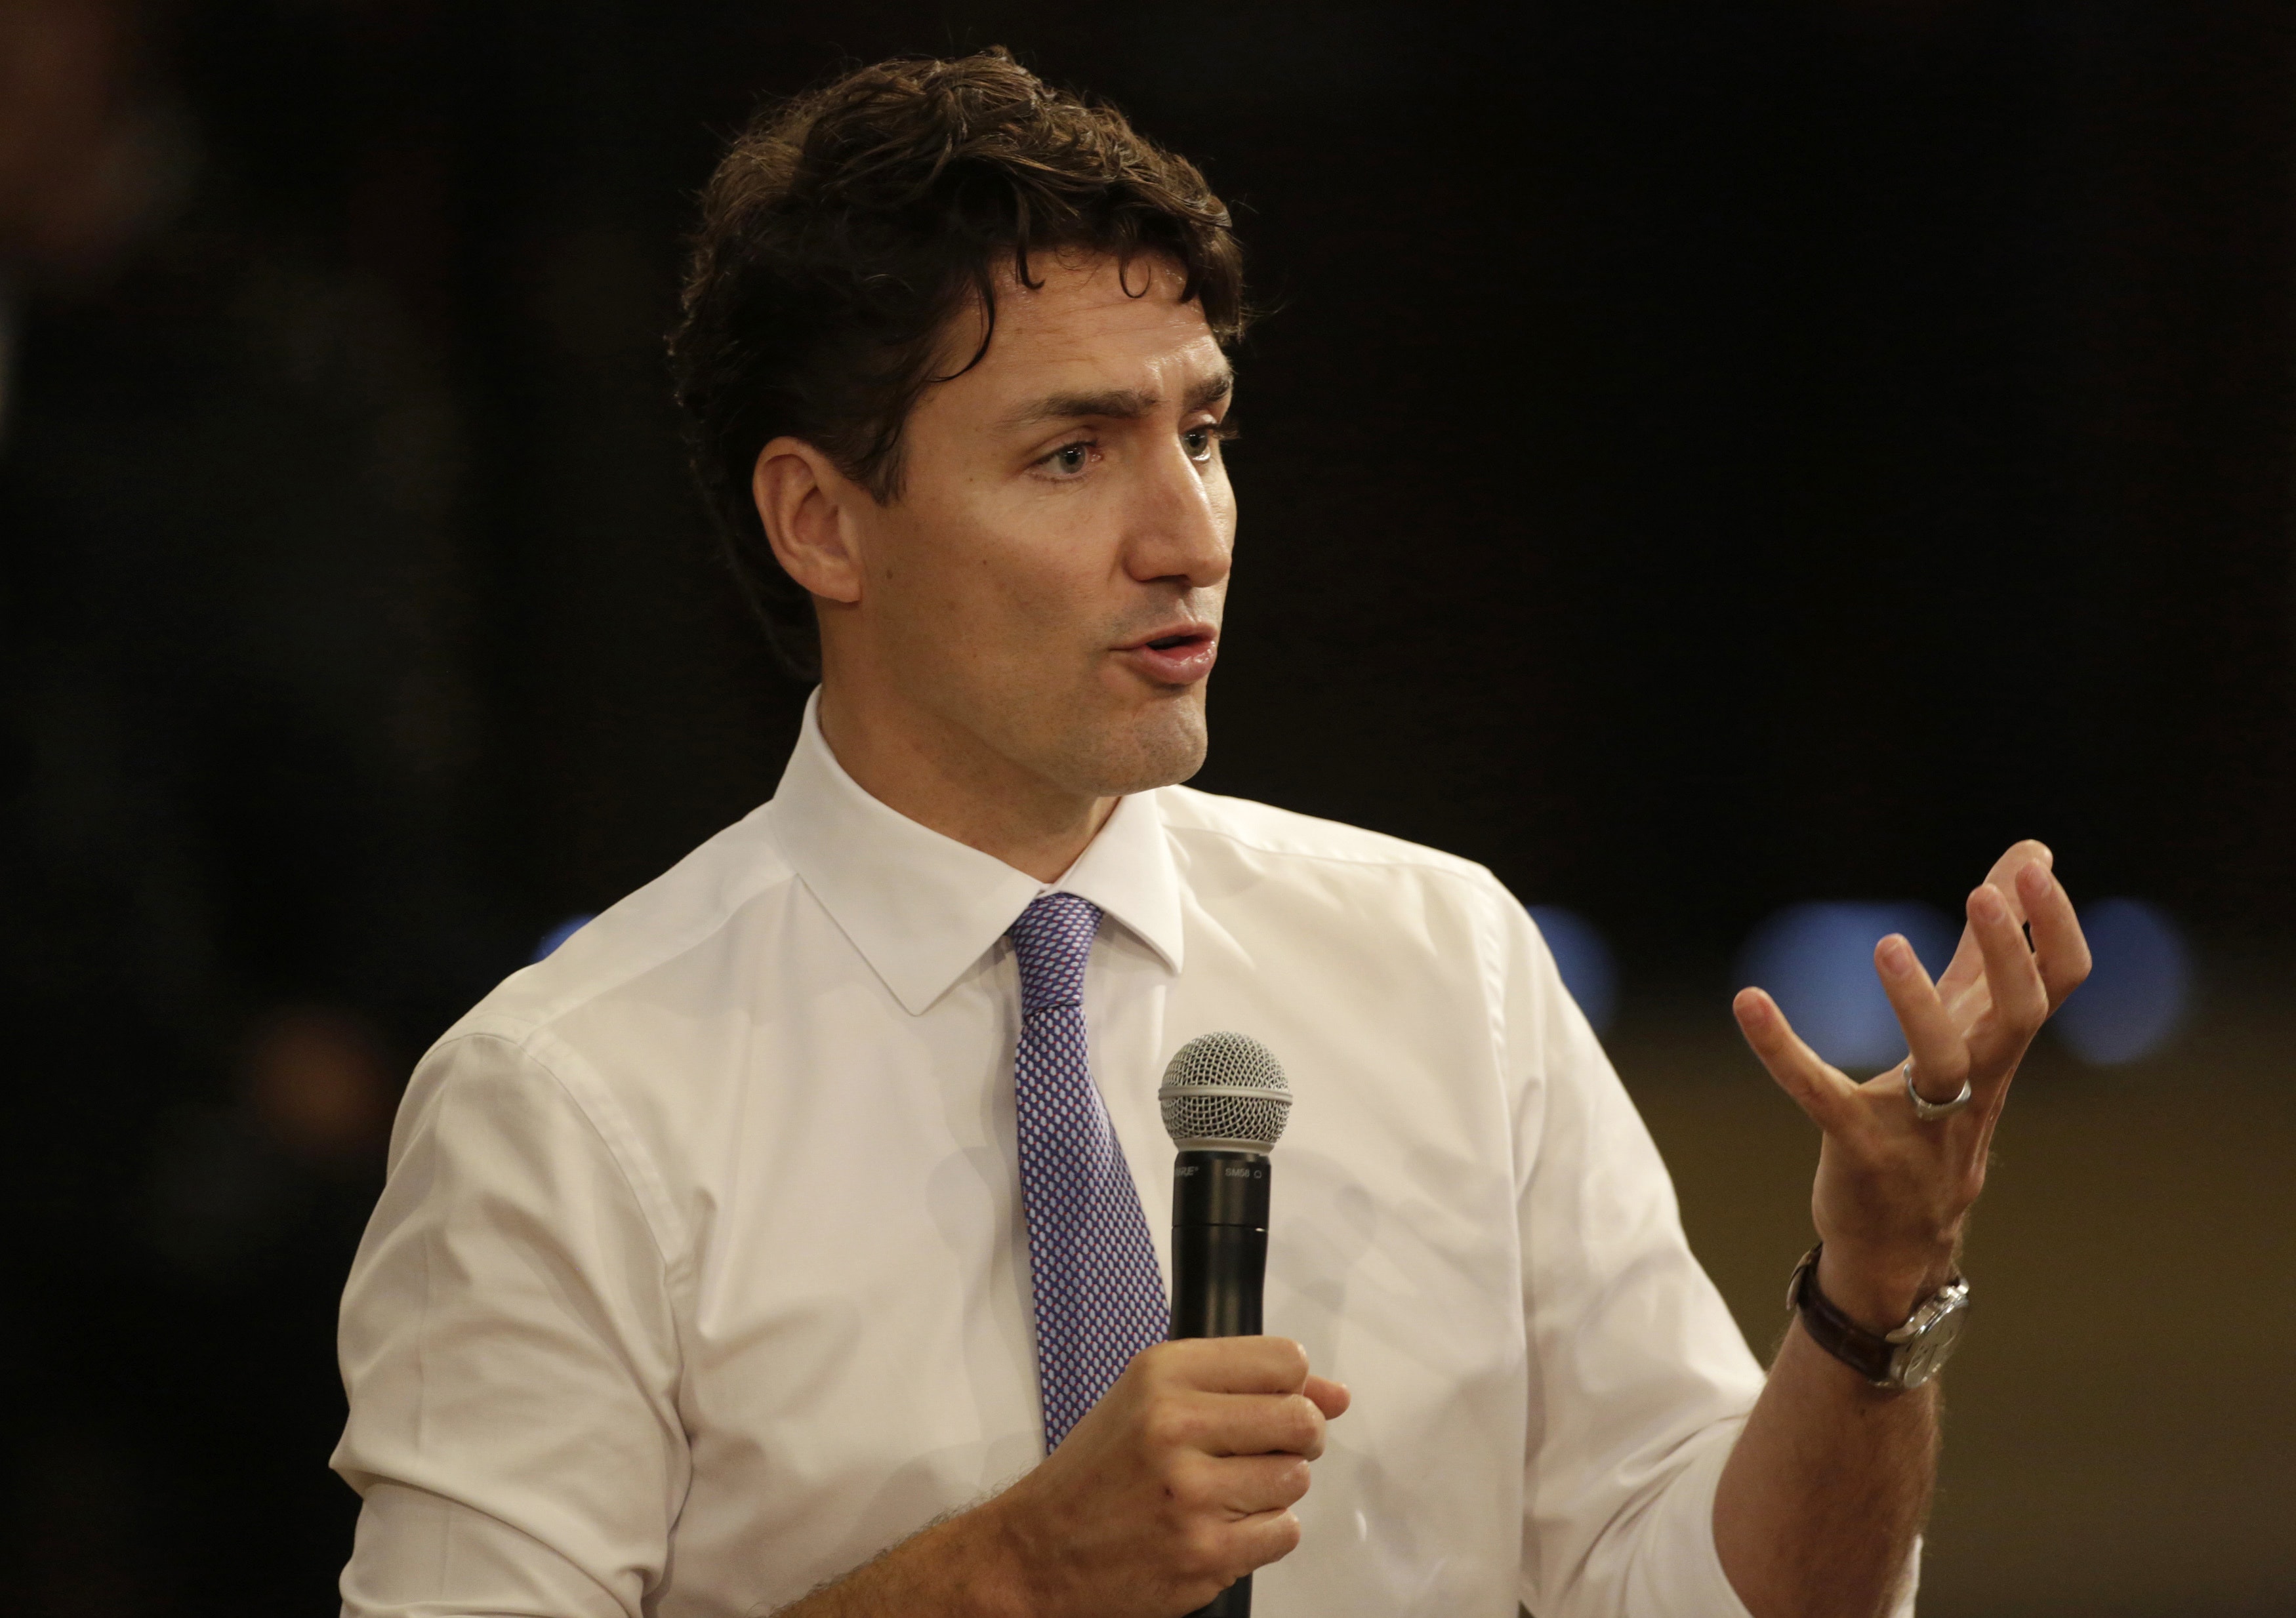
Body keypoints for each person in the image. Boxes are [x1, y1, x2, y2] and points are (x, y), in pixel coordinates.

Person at [332, 48, 2089, 1618]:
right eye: (1072, 454)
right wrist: (1009, 1573)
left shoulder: (1443, 961)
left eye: (1202, 430)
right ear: (821, 521)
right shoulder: (568, 1101)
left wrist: (1868, 1310)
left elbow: (1712, 1597)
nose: (1188, 534)